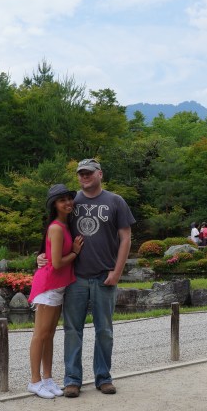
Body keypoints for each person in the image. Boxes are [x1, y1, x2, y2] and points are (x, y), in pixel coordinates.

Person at [56, 158, 135, 397]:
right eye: (81, 174)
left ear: (100, 174)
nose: (84, 177)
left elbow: (126, 238)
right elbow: (54, 229)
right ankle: (72, 379)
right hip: (75, 276)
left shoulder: (115, 201)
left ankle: (103, 377)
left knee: (104, 330)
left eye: (89, 173)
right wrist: (43, 256)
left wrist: (117, 271)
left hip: (104, 275)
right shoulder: (72, 202)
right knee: (72, 329)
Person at [27, 184, 83, 399]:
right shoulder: (57, 228)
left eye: (69, 199)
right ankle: (34, 381)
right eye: (63, 200)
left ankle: (47, 379)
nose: (68, 203)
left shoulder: (65, 224)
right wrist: (76, 253)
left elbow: (49, 256)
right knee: (40, 335)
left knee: (49, 335)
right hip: (48, 285)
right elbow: (57, 263)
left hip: (57, 287)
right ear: (54, 205)